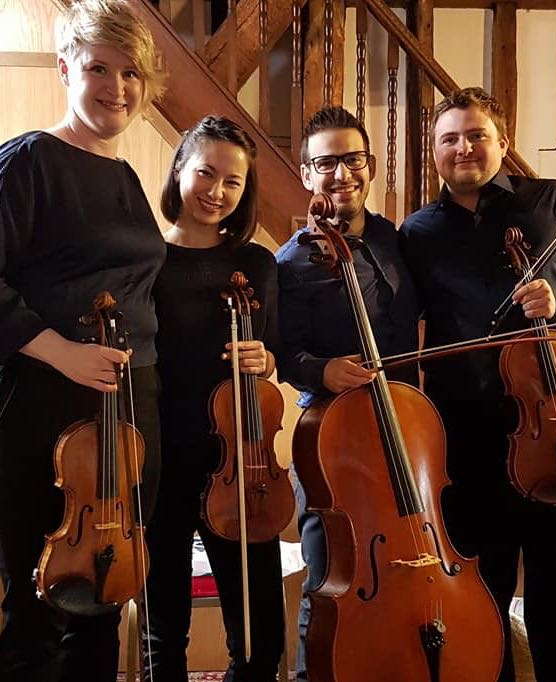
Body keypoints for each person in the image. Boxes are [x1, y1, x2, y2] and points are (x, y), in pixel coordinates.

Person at [399, 87, 556, 682]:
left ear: (503, 142)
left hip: (555, 428)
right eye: (449, 138)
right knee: (481, 588)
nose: (463, 147)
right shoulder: (418, 232)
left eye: (476, 135)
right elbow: (397, 320)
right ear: (434, 150)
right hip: (467, 438)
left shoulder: (554, 203)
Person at [0, 1, 167, 680]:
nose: (117, 87)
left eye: (131, 73)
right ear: (66, 66)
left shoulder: (126, 176)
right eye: (99, 67)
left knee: (105, 598)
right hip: (44, 406)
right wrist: (60, 350)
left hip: (128, 411)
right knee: (39, 607)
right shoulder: (29, 161)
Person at [275, 106, 420, 680]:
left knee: (406, 566)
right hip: (333, 438)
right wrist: (322, 369)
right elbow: (286, 354)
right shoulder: (290, 261)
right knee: (332, 579)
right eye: (326, 162)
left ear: (371, 166)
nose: (341, 174)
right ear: (308, 173)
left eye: (352, 159)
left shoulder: (393, 239)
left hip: (404, 428)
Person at [142, 115, 284, 682]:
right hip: (161, 457)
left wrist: (265, 359)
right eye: (205, 172)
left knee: (260, 637)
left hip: (241, 463)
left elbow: (270, 352)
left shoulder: (256, 264)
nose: (216, 191)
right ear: (180, 169)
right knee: (163, 629)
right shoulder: (146, 261)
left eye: (233, 182)